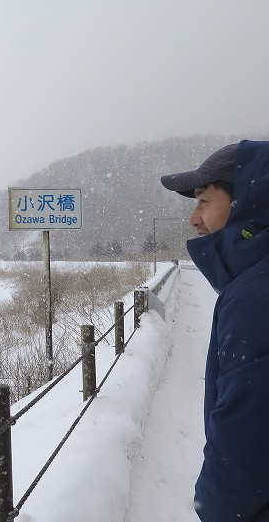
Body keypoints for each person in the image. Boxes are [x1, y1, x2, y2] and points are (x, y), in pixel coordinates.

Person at [161, 140, 269, 521]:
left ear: (249, 202)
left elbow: (243, 447)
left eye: (204, 201)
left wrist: (214, 508)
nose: (194, 218)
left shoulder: (255, 297)